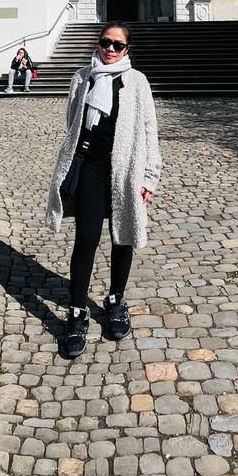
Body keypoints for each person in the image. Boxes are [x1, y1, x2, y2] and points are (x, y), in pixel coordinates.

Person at [46, 22, 161, 358]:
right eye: (106, 42)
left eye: (118, 45)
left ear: (127, 50)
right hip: (91, 171)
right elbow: (72, 123)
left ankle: (115, 300)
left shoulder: (137, 82)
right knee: (86, 239)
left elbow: (149, 130)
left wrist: (149, 178)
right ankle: (78, 311)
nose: (110, 49)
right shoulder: (82, 78)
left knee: (122, 237)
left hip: (125, 170)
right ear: (98, 44)